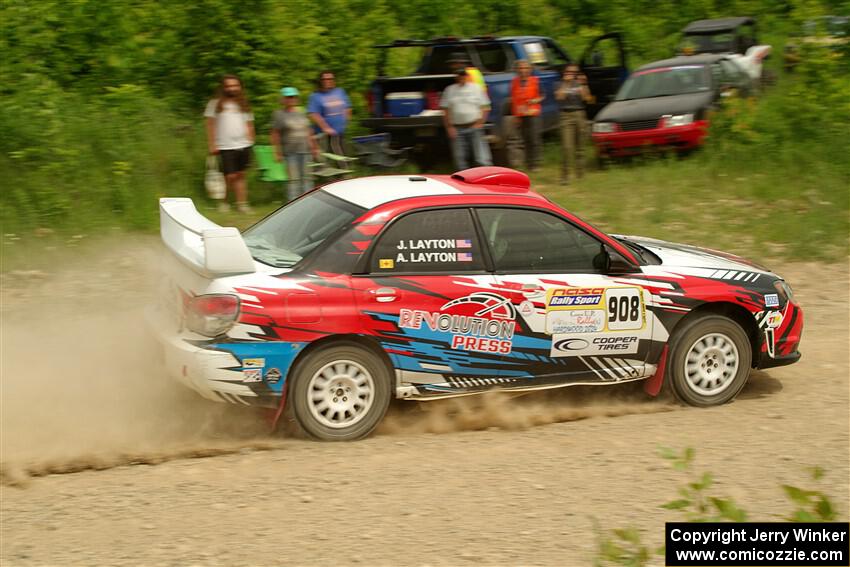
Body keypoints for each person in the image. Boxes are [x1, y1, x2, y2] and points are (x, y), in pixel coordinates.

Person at [204, 74, 255, 213]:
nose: (232, 88)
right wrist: (212, 144)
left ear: (239, 87)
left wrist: (251, 139)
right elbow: (209, 124)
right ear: (223, 87)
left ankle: (242, 204)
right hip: (225, 145)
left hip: (243, 144)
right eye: (229, 85)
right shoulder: (215, 104)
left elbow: (249, 124)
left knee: (240, 175)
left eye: (235, 85)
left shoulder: (243, 104)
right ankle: (224, 202)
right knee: (229, 176)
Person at [271, 87, 320, 202]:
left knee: (307, 178)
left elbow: (309, 130)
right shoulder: (279, 114)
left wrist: (314, 147)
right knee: (294, 179)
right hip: (290, 152)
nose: (291, 99)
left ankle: (308, 201)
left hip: (305, 149)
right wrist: (277, 152)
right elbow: (275, 134)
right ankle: (293, 202)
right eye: (288, 97)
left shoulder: (302, 112)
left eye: (293, 97)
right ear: (282, 99)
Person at [441, 68, 492, 171]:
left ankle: (486, 177)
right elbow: (445, 110)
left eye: (463, 75)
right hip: (457, 128)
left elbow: (486, 107)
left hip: (474, 126)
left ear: (467, 76)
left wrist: (480, 122)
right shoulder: (449, 90)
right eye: (459, 75)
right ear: (456, 77)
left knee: (482, 158)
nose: (461, 77)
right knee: (460, 160)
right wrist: (449, 127)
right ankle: (462, 182)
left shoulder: (476, 88)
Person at [555, 63, 593, 184]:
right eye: (569, 72)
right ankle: (564, 176)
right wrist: (566, 83)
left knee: (580, 146)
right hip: (566, 115)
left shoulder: (580, 83)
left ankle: (580, 174)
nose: (572, 74)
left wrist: (584, 84)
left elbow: (588, 99)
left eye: (574, 72)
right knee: (567, 147)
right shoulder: (560, 83)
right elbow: (559, 97)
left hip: (579, 114)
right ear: (565, 72)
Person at [509, 59, 543, 171]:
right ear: (517, 70)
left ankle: (536, 163)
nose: (523, 70)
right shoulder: (514, 82)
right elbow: (514, 100)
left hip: (533, 113)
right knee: (525, 139)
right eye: (521, 68)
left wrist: (535, 100)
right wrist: (516, 116)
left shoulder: (535, 80)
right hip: (521, 114)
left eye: (525, 68)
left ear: (530, 69)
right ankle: (529, 163)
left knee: (534, 139)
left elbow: (543, 95)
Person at [307, 70, 351, 156]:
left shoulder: (340, 91)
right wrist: (326, 128)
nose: (328, 81)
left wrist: (346, 121)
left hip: (339, 133)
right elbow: (313, 114)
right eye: (325, 79)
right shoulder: (315, 96)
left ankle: (345, 167)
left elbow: (347, 107)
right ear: (321, 81)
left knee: (343, 157)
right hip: (324, 135)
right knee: (325, 159)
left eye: (331, 78)